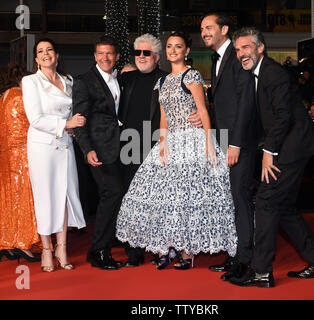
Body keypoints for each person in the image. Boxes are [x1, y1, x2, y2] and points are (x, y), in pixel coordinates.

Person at [116, 31, 237, 270]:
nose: (173, 51)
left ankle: (187, 252)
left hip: (192, 142)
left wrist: (209, 143)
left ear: (186, 51)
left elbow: (202, 110)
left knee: (188, 198)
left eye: (178, 47)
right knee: (164, 198)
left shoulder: (191, 75)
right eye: (170, 46)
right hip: (170, 142)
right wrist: (162, 143)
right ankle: (165, 248)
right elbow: (163, 117)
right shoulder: (162, 81)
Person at [230, 27, 314, 288]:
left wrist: (269, 152)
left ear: (260, 47)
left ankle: (261, 271)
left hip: (291, 147)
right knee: (284, 208)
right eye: (238, 49)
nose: (241, 53)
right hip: (291, 146)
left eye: (246, 47)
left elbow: (282, 117)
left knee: (265, 202)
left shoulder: (273, 73)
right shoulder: (258, 74)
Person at [118, 33, 202, 267]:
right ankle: (140, 252)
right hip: (132, 146)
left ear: (156, 56)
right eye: (137, 52)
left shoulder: (171, 78)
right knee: (140, 199)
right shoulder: (125, 79)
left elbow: (199, 105)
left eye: (147, 53)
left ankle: (172, 250)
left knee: (173, 200)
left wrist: (201, 120)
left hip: (165, 145)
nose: (141, 56)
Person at [201, 13, 258, 278]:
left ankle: (246, 261)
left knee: (240, 199)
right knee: (231, 201)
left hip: (240, 143)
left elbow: (246, 101)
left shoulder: (236, 56)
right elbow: (225, 105)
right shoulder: (219, 60)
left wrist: (234, 143)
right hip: (226, 142)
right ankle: (235, 255)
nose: (204, 32)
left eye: (209, 27)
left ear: (224, 29)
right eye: (202, 29)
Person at [22, 38, 86, 272]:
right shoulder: (30, 82)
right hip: (42, 147)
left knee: (65, 194)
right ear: (36, 59)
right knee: (45, 197)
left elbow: (76, 113)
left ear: (57, 55)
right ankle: (47, 250)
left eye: (50, 49)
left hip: (65, 145)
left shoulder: (68, 81)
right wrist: (65, 122)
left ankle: (63, 247)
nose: (46, 54)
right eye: (41, 51)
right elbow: (35, 119)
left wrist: (72, 127)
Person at [73, 35, 124, 270]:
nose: (105, 57)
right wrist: (87, 149)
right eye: (101, 53)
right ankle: (99, 250)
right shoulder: (85, 81)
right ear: (95, 56)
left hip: (119, 147)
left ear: (116, 56)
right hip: (98, 148)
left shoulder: (119, 79)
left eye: (110, 53)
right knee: (111, 193)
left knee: (114, 194)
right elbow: (80, 119)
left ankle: (104, 245)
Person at [0, 63, 41, 263]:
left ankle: (8, 242)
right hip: (23, 155)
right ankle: (24, 243)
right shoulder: (21, 96)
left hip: (6, 156)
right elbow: (33, 123)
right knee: (25, 200)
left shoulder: (4, 97)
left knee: (9, 201)